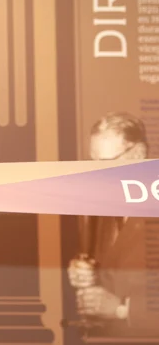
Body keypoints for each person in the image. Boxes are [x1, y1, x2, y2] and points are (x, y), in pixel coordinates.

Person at [67, 112, 159, 337]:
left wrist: (122, 309)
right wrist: (84, 273)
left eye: (106, 164)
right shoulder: (101, 206)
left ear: (138, 154)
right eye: (93, 163)